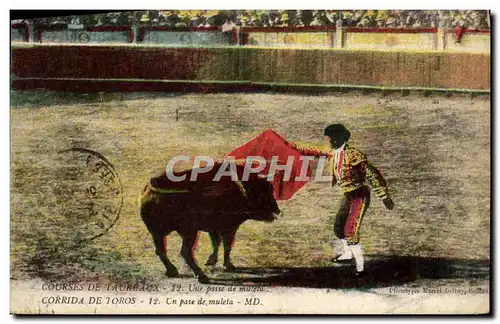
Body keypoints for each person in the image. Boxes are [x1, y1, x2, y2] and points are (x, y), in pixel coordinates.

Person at [291, 124, 394, 276]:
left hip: (359, 195)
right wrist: (289, 145)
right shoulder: (332, 151)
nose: (326, 141)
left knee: (350, 230)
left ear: (335, 139)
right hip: (348, 195)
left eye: (328, 138)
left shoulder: (354, 155)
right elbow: (312, 150)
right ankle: (348, 254)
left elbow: (373, 175)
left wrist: (384, 196)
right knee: (339, 227)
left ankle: (361, 268)